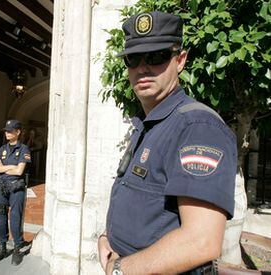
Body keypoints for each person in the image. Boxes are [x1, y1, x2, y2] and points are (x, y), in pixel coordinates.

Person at [98, 11, 237, 274]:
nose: (142, 67)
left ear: (180, 60)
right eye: (133, 58)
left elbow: (201, 242)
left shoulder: (197, 127)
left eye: (157, 56)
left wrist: (119, 270)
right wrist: (106, 237)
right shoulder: (149, 123)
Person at [0, 119, 31, 265]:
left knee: (15, 217)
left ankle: (17, 249)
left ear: (18, 132)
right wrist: (11, 167)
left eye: (10, 131)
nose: (7, 133)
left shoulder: (24, 149)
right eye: (6, 131)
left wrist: (4, 166)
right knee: (0, 215)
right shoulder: (2, 149)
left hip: (16, 187)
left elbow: (20, 170)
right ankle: (2, 247)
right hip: (2, 187)